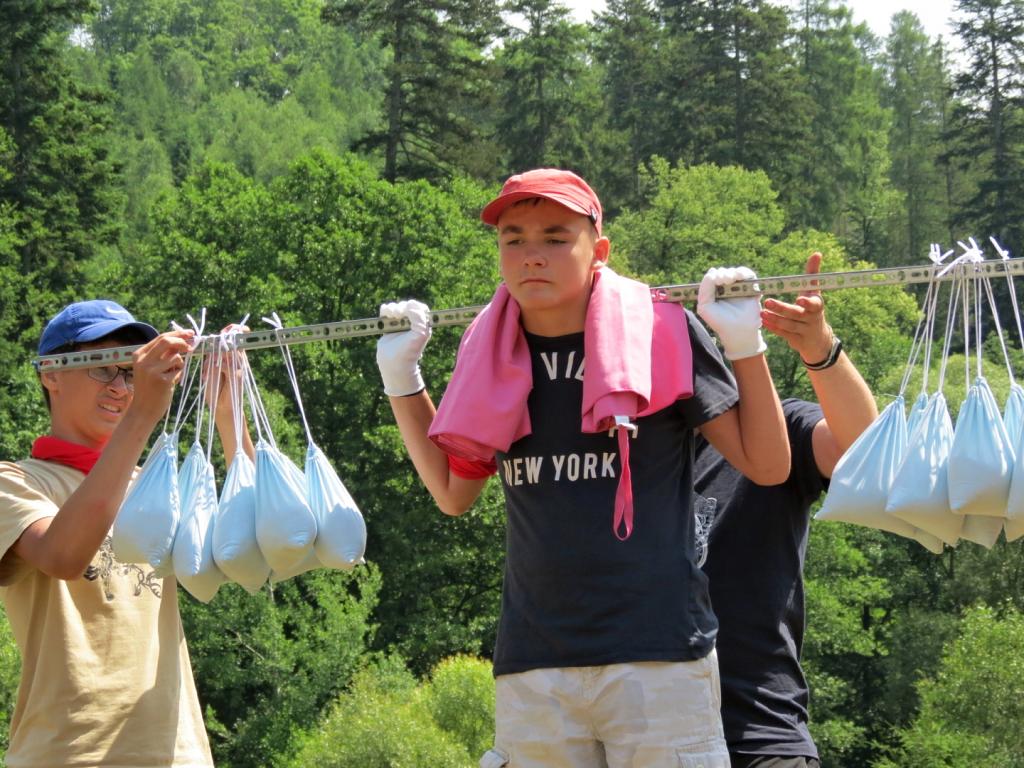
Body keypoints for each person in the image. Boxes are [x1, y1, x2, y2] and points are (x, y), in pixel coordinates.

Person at [376, 167, 791, 768]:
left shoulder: (661, 329)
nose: (530, 255)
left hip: (660, 656)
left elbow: (769, 465)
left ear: (598, 251)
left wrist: (745, 345)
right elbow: (451, 492)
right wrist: (402, 382)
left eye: (554, 236)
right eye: (512, 238)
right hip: (533, 664)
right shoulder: (489, 351)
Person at [0, 299, 244, 767]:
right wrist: (143, 416)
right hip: (66, 755)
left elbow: (244, 544)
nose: (120, 387)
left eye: (130, 373)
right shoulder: (16, 482)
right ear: (51, 372)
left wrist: (228, 408)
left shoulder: (152, 487)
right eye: (103, 370)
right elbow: (62, 556)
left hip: (178, 754)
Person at [695, 253, 879, 768]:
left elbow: (862, 450)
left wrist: (819, 348)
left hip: (762, 728)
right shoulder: (621, 459)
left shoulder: (771, 432)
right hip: (642, 731)